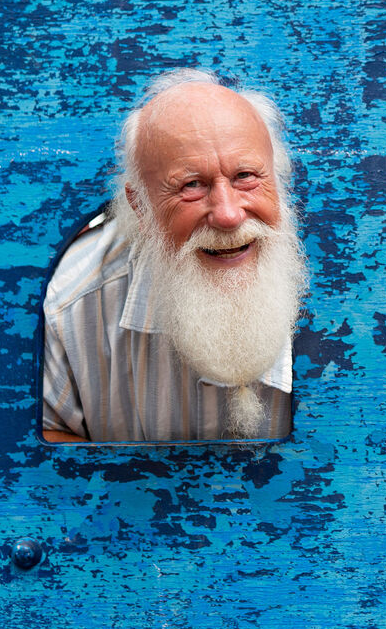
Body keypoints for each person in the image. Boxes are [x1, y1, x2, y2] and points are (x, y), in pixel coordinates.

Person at [41, 69, 308, 443]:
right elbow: (45, 436)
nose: (228, 215)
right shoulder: (73, 301)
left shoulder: (360, 290)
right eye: (192, 185)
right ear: (140, 206)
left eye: (246, 175)